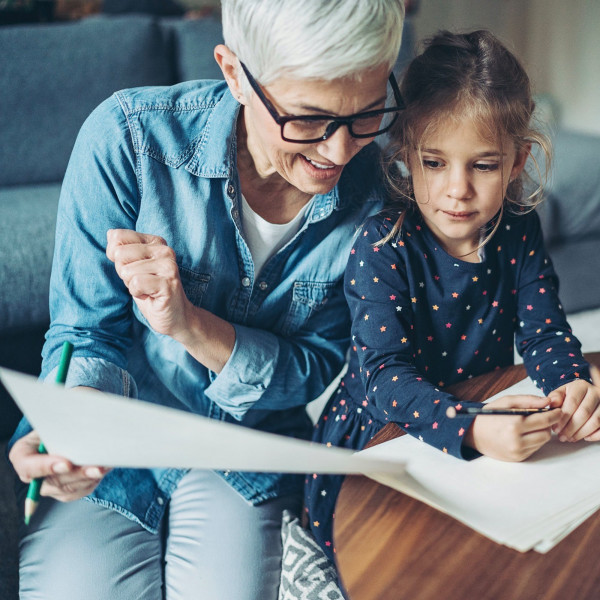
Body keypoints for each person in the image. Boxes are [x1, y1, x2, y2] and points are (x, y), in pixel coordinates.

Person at [7, 0, 405, 598]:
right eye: (308, 118)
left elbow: (320, 364)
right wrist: (75, 429)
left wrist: (189, 325)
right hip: (117, 443)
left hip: (248, 449)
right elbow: (85, 334)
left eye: (369, 111)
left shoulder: (377, 196)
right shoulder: (128, 138)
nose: (340, 150)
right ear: (234, 73)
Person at [305, 29, 600, 561]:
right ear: (403, 156)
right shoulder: (383, 243)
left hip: (477, 415)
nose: (457, 189)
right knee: (393, 561)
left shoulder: (518, 228)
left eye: (483, 165)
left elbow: (546, 332)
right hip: (381, 438)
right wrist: (473, 428)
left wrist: (570, 385)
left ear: (516, 162)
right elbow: (384, 379)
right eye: (435, 163)